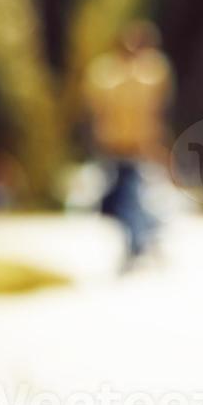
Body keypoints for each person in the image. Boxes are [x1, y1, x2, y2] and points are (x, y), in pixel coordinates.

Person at [84, 21, 174, 272]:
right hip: (114, 146)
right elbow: (98, 112)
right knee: (118, 200)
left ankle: (138, 242)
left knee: (134, 197)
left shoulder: (153, 71)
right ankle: (145, 238)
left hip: (141, 146)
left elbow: (156, 110)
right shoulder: (105, 72)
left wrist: (158, 143)